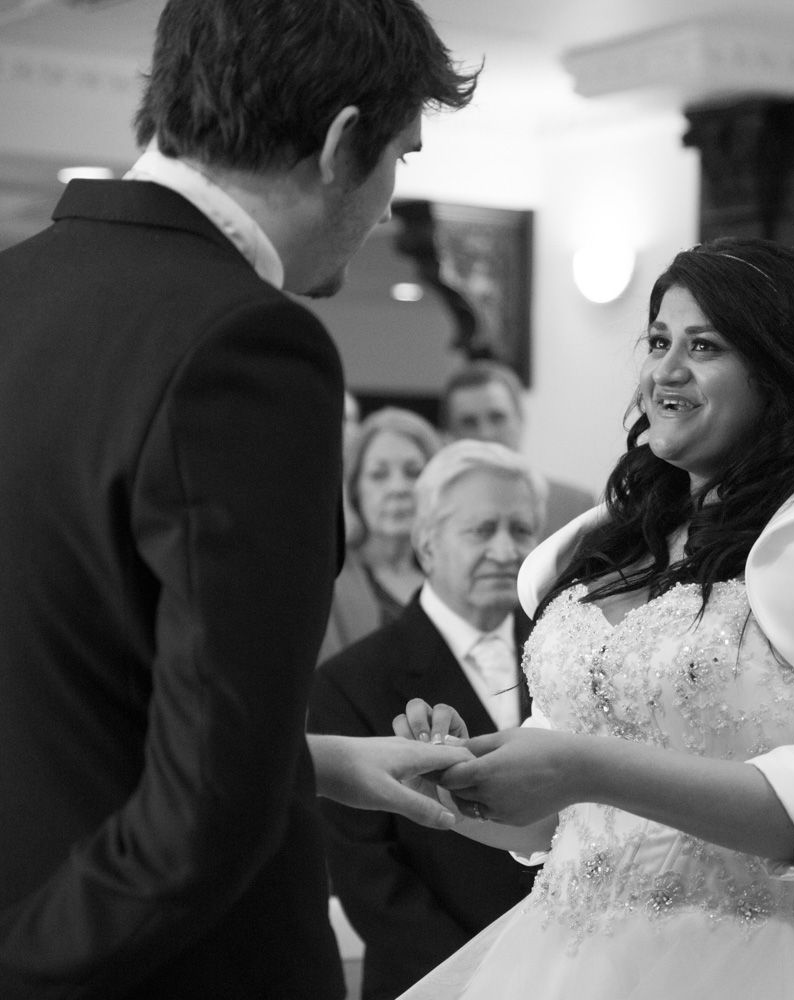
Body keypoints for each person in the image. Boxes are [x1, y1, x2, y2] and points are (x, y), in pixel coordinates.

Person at [394, 237, 794, 999]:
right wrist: (461, 788)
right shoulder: (616, 540)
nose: (665, 370)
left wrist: (582, 767)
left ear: (783, 370)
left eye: (704, 346)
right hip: (582, 961)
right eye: (659, 341)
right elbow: (555, 823)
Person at [0, 1, 475, 996]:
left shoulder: (18, 288)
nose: (388, 200)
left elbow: (73, 685)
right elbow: (208, 801)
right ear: (342, 141)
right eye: (399, 156)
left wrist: (319, 761)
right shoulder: (246, 344)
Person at [310, 440, 546, 999]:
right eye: (481, 529)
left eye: (521, 529)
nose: (505, 548)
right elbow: (370, 879)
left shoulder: (564, 653)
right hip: (436, 980)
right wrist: (489, 981)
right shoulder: (351, 681)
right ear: (426, 544)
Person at [321, 406, 444, 663]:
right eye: (378, 475)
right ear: (354, 489)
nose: (397, 488)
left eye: (413, 473)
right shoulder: (327, 579)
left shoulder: (452, 575)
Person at [442, 360, 595, 539]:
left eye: (497, 417)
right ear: (447, 436)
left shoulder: (576, 508)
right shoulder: (436, 512)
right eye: (469, 422)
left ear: (520, 420)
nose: (486, 434)